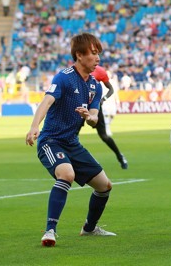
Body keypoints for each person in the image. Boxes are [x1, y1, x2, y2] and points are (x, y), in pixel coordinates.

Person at [26, 33, 116, 247]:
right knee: (66, 174)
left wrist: (89, 117)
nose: (98, 58)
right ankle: (50, 231)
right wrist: (34, 126)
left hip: (72, 143)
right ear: (79, 54)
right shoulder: (64, 77)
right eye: (94, 53)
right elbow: (47, 101)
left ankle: (89, 228)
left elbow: (94, 118)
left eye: (98, 54)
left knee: (105, 186)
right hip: (51, 141)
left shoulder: (95, 85)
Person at [88, 65, 128, 169]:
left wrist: (103, 99)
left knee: (104, 136)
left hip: (94, 107)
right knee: (72, 134)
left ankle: (120, 156)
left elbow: (110, 89)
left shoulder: (100, 71)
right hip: (79, 107)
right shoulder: (77, 69)